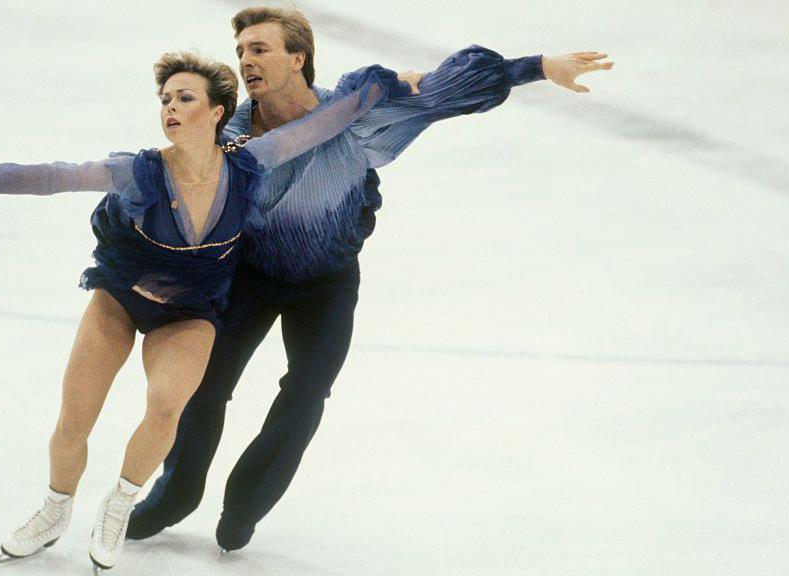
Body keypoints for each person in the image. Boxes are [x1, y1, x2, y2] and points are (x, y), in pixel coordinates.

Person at [0, 50, 409, 570]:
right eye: (165, 99)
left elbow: (324, 123)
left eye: (186, 98)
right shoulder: (139, 172)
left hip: (190, 312)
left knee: (167, 406)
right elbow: (56, 176)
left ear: (216, 113)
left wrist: (378, 87)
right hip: (122, 299)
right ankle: (55, 508)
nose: (171, 108)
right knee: (76, 418)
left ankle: (118, 505)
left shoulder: (252, 164)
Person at [127, 7, 614, 551]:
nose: (245, 62)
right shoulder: (230, 136)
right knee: (206, 384)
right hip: (252, 276)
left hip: (327, 283)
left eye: (259, 49)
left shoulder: (353, 116)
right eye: (241, 52)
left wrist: (539, 66)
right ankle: (177, 493)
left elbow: (438, 92)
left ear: (297, 58)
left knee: (308, 390)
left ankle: (246, 502)